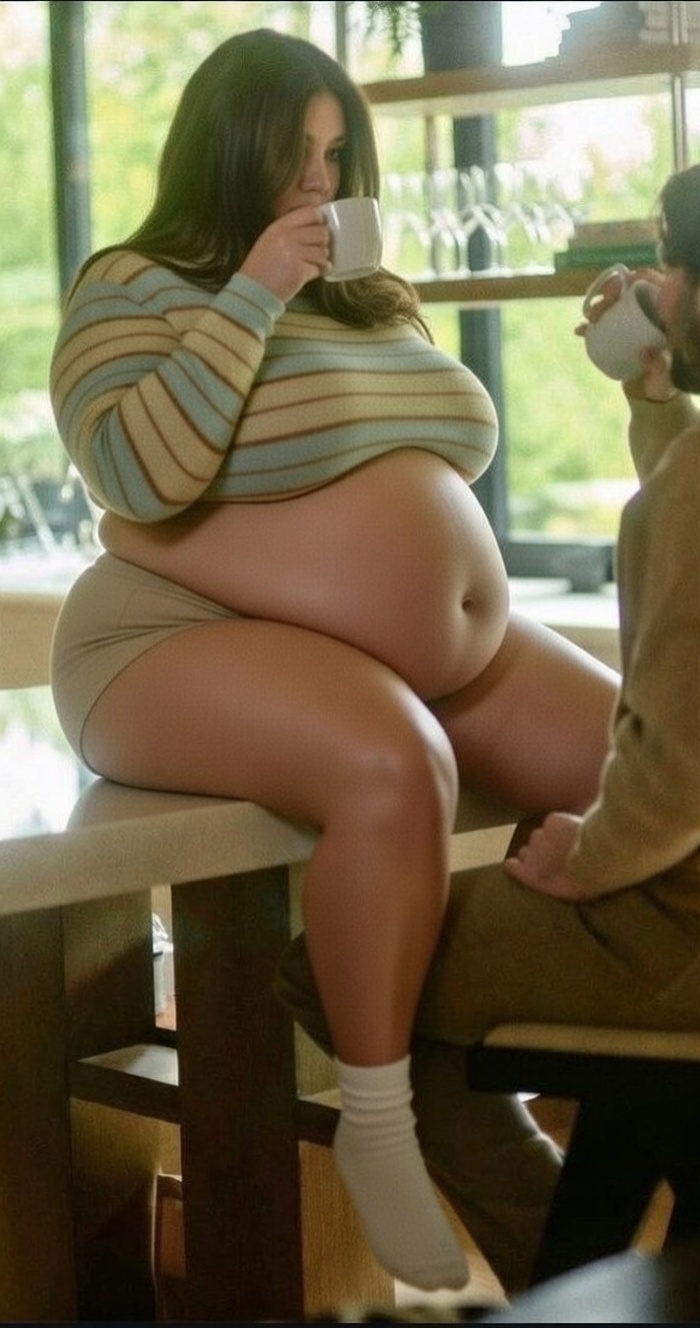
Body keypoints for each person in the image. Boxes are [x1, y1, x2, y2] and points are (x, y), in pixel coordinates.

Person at [48, 27, 618, 1293]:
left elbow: (438, 445)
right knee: (391, 765)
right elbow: (142, 478)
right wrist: (252, 289)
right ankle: (379, 1118)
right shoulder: (127, 284)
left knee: (653, 760)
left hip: (400, 647)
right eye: (292, 151)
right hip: (163, 636)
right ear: (223, 149)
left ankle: (506, 1080)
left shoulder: (365, 296)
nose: (320, 179)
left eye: (335, 151)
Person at [278, 157, 700, 1297]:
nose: (652, 287)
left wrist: (588, 855)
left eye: (668, 267)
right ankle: (620, 1274)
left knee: (338, 968)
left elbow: (688, 776)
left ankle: (576, 1282)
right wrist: (657, 404)